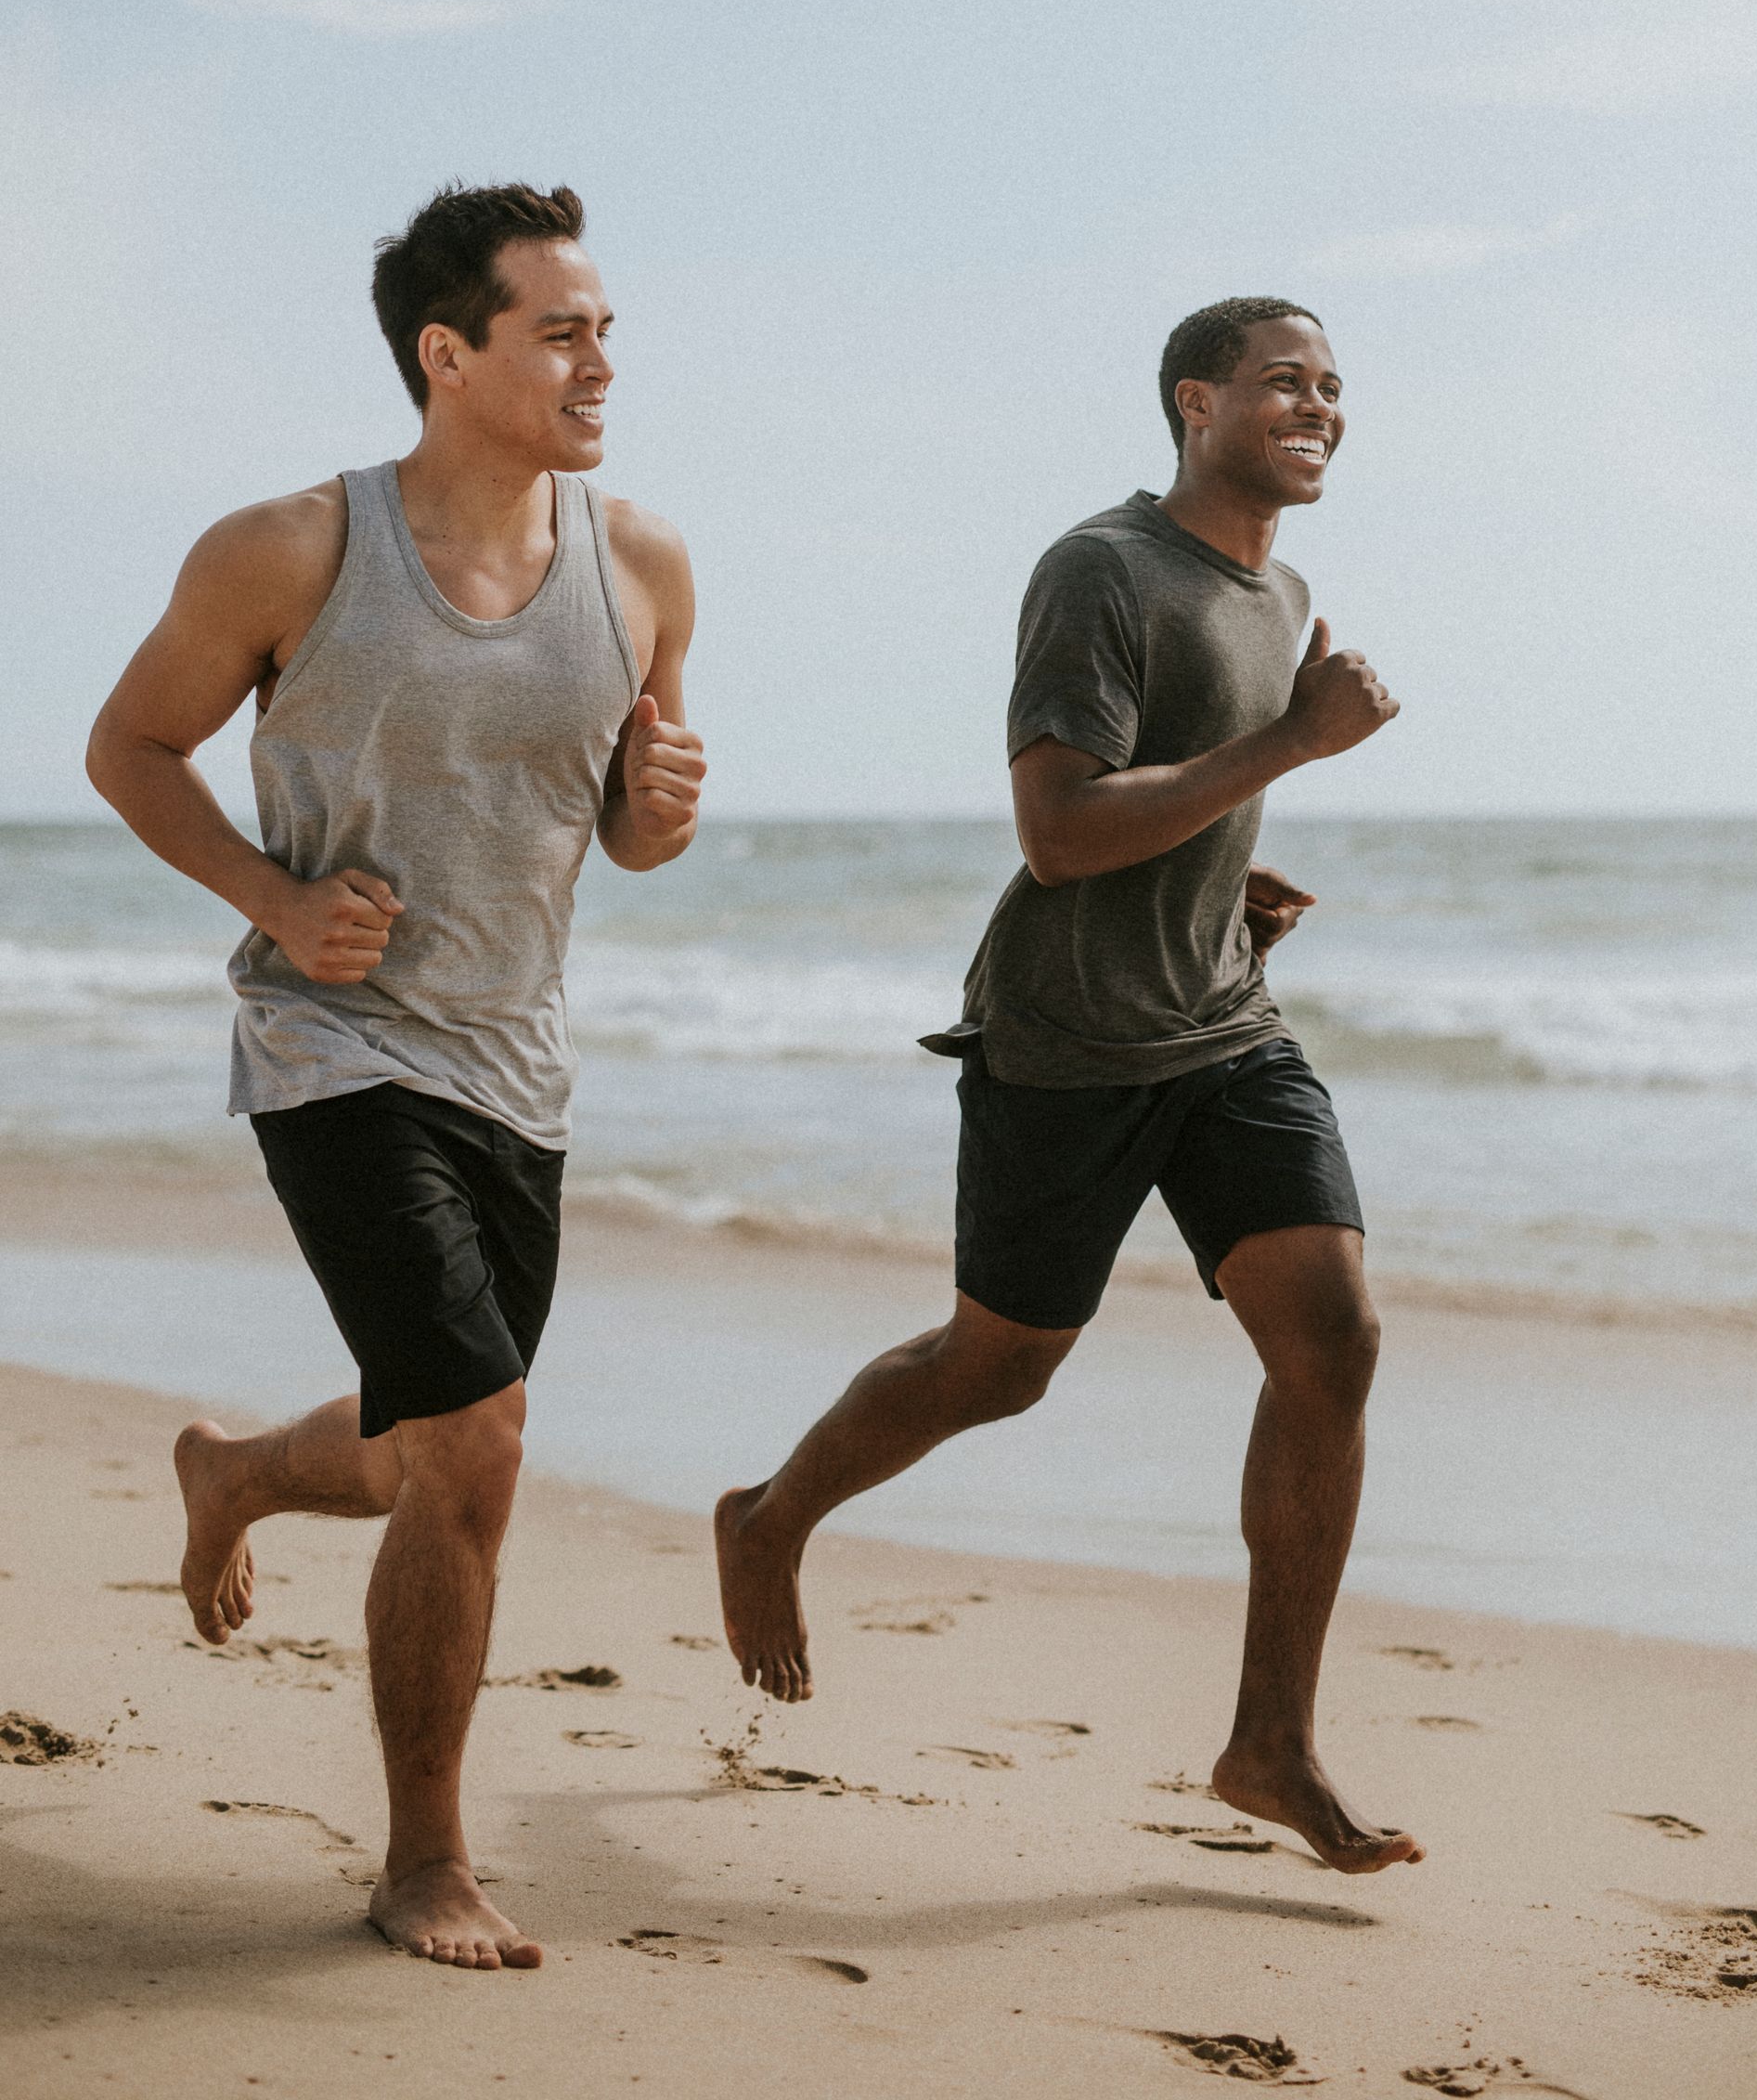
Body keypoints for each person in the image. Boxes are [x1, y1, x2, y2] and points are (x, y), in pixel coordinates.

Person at [717, 294, 1421, 1876]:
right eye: (1281, 381)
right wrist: (1293, 749)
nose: (1316, 404)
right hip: (1067, 1039)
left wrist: (1232, 881)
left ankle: (1271, 1742)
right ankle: (769, 1517)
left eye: (1332, 385)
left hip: (1225, 1025)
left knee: (1336, 1336)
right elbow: (1060, 829)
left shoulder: (1277, 585)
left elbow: (1176, 810)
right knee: (1000, 1366)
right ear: (1194, 402)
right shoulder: (1101, 572)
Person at [87, 182, 704, 1967]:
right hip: (331, 1045)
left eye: (606, 327)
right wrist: (274, 896)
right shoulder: (288, 550)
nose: (602, 359)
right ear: (451, 355)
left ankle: (240, 1471)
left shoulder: (644, 564)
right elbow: (132, 746)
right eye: (562, 329)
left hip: (520, 1066)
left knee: (438, 1443)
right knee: (484, 1440)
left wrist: (658, 821)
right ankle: (425, 1855)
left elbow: (623, 828)